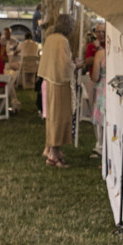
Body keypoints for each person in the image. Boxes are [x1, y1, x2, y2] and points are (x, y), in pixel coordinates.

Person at [40, 16, 75, 167]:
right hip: (59, 83)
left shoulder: (50, 38)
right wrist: (76, 66)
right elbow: (65, 64)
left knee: (53, 117)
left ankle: (53, 149)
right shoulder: (62, 41)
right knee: (59, 118)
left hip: (50, 80)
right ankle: (53, 154)